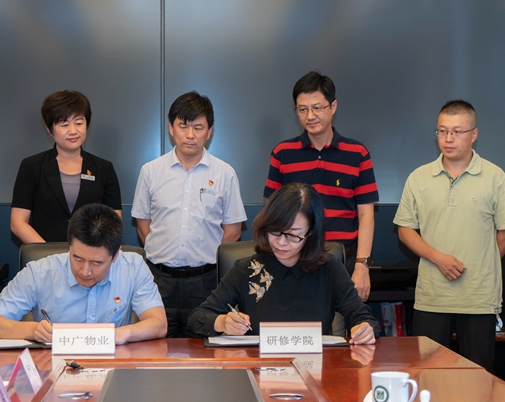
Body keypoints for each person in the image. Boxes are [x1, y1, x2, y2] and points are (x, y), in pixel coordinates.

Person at [394, 100, 505, 372]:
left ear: (474, 134)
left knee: (478, 377)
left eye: (457, 132)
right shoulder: (419, 177)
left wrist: (483, 263)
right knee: (428, 376)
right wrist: (439, 259)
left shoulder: (495, 177)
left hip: (478, 298)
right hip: (432, 296)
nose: (448, 138)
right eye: (442, 131)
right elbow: (405, 230)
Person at [188, 183, 377, 341]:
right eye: (275, 231)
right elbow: (196, 318)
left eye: (293, 235)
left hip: (316, 366)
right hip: (259, 366)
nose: (281, 242)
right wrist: (222, 322)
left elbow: (363, 318)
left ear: (311, 234)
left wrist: (364, 329)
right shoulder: (247, 270)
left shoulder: (329, 268)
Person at [132, 92, 247, 338]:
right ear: (171, 128)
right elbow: (143, 225)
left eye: (198, 127)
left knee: (203, 349)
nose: (190, 135)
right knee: (156, 347)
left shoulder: (225, 173)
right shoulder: (151, 171)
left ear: (210, 131)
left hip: (206, 282)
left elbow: (233, 230)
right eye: (183, 126)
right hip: (158, 280)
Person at [0, 203, 167, 343]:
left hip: (113, 368)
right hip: (52, 369)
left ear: (116, 255)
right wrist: (32, 330)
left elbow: (158, 323)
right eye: (77, 258)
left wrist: (122, 334)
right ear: (69, 246)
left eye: (96, 263)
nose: (85, 271)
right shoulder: (40, 272)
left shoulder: (133, 267)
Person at [265, 71, 378, 301]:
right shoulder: (282, 153)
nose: (310, 116)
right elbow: (271, 214)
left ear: (333, 106)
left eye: (317, 108)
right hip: (294, 261)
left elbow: (366, 215)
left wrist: (362, 266)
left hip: (343, 260)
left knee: (342, 323)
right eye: (302, 109)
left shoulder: (357, 153)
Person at [10, 90, 122, 243]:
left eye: (79, 123)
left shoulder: (104, 169)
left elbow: (114, 222)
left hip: (91, 255)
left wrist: (89, 253)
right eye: (64, 124)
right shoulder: (32, 166)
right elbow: (18, 223)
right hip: (44, 254)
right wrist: (48, 253)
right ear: (50, 129)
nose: (73, 131)